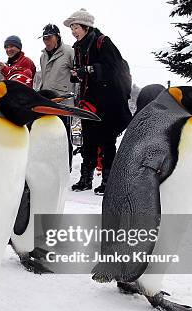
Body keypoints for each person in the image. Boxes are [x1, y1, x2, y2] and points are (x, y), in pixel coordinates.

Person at [65, 8, 132, 195]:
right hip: (88, 100)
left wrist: (87, 70)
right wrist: (77, 74)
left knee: (107, 141)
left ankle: (108, 181)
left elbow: (113, 68)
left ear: (86, 27)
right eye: (71, 27)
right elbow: (83, 71)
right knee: (88, 140)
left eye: (76, 27)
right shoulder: (78, 47)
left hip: (108, 102)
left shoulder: (103, 42)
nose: (73, 31)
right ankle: (85, 179)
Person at [39, 24, 76, 169]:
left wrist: (75, 96)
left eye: (49, 37)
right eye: (44, 38)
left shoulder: (69, 52)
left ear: (58, 37)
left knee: (64, 136)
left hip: (63, 102)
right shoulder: (42, 56)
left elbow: (77, 75)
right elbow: (44, 78)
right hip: (47, 102)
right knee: (48, 135)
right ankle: (50, 165)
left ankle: (67, 166)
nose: (46, 41)